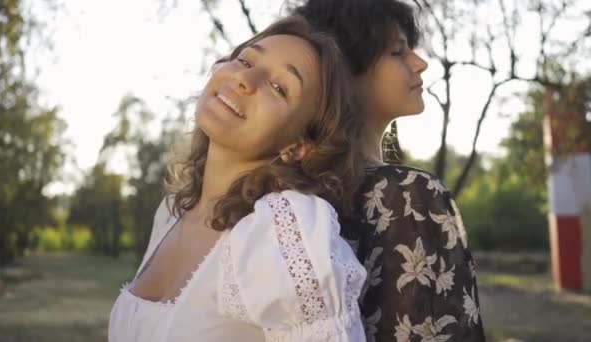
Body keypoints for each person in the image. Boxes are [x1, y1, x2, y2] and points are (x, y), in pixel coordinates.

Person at [108, 15, 369, 341]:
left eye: (279, 87)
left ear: (297, 146)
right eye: (245, 59)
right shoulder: (170, 212)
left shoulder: (284, 225)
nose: (246, 78)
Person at [293, 0, 487, 341]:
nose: (420, 62)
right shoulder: (408, 195)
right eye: (398, 52)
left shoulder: (282, 194)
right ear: (344, 70)